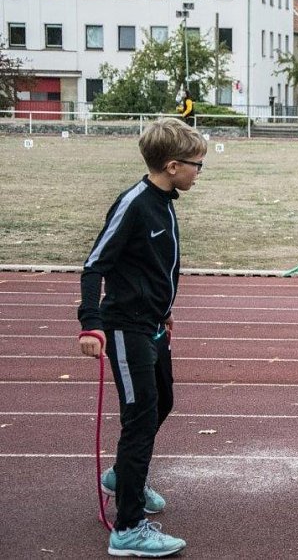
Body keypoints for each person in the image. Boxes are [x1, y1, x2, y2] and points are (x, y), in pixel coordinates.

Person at [78, 117, 206, 557]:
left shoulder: (165, 200)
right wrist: (90, 322)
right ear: (172, 165)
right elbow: (95, 264)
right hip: (124, 328)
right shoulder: (134, 203)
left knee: (162, 402)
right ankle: (128, 528)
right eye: (196, 165)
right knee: (139, 419)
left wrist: (165, 310)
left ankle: (121, 476)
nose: (199, 172)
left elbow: (154, 266)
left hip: (153, 325)